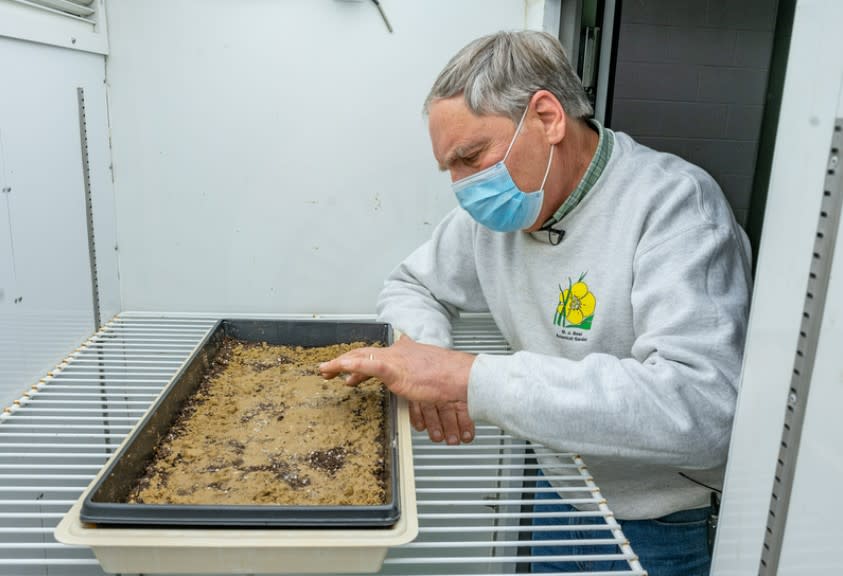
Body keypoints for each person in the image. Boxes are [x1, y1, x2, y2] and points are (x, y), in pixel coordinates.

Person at [319, 30, 752, 576]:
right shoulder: (491, 220)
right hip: (556, 493)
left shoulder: (675, 207)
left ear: (547, 118)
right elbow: (413, 285)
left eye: (471, 157)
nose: (462, 186)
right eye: (450, 168)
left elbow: (703, 407)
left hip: (662, 527)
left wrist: (468, 379)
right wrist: (427, 355)